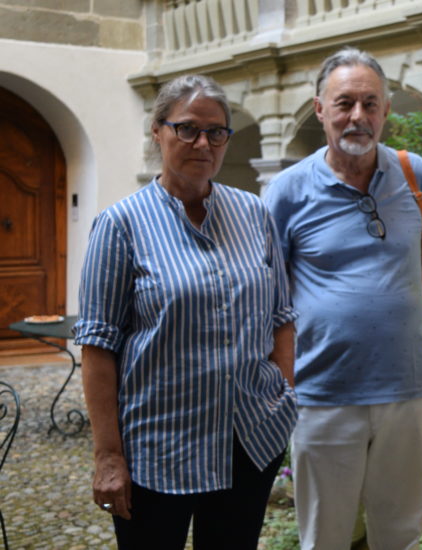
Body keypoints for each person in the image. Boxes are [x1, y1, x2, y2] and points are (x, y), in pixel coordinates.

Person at [75, 74, 298, 549]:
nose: (203, 143)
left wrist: (283, 395)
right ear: (157, 131)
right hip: (159, 449)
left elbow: (281, 315)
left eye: (217, 132)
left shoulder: (254, 214)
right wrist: (109, 457)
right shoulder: (120, 225)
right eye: (188, 129)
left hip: (248, 440)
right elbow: (98, 347)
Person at [263, 47, 422, 550]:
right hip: (323, 395)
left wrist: (386, 317)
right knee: (325, 537)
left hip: (409, 390)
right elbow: (269, 297)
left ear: (386, 110)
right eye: (345, 103)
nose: (358, 117)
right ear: (320, 109)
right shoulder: (286, 192)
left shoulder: (415, 174)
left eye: (371, 103)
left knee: (400, 535)